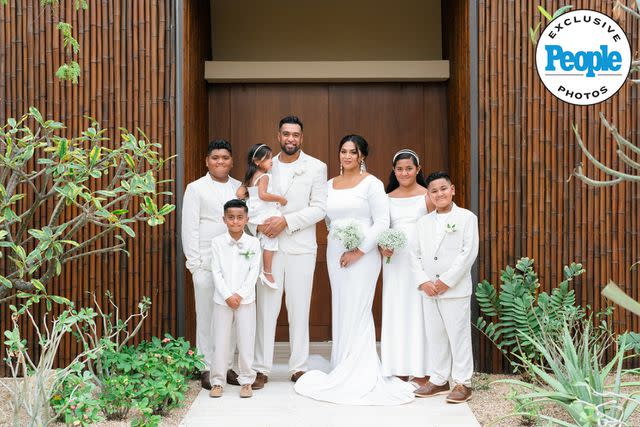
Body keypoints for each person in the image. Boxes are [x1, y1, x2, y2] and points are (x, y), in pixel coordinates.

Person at [294, 135, 414, 405]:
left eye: (353, 152)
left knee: (358, 307)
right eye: (343, 151)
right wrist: (340, 239)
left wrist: (359, 250)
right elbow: (326, 216)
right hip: (337, 253)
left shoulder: (372, 184)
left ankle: (359, 368)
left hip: (364, 255)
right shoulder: (329, 185)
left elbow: (382, 220)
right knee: (342, 305)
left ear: (362, 156)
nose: (347, 156)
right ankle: (341, 362)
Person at [252, 116, 327, 388]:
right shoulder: (264, 166)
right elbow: (250, 199)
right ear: (278, 136)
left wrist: (286, 221)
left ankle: (298, 367)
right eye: (286, 134)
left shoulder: (316, 167)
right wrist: (260, 225)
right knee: (266, 310)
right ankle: (261, 368)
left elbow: (319, 207)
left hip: (301, 248)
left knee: (299, 308)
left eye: (295, 135)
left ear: (302, 138)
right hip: (268, 248)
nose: (290, 139)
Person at [413, 171, 479, 404]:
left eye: (443, 189)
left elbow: (468, 253)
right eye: (434, 191)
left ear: (452, 190)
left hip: (454, 289)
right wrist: (423, 281)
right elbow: (415, 254)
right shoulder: (422, 222)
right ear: (428, 195)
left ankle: (463, 382)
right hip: (429, 290)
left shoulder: (467, 218)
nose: (439, 194)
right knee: (436, 336)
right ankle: (439, 378)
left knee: (458, 335)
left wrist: (446, 281)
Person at [181, 139, 241, 390]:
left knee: (233, 316)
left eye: (225, 157)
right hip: (205, 260)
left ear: (231, 161)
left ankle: (226, 366)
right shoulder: (196, 188)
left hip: (234, 263)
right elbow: (190, 226)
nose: (220, 162)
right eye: (215, 157)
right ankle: (205, 366)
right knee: (205, 315)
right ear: (207, 161)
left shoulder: (240, 188)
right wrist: (194, 263)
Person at [380, 149, 433, 387]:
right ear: (394, 171)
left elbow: (437, 226)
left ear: (418, 170)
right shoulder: (386, 197)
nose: (404, 173)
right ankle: (398, 367)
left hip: (420, 261)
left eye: (409, 168)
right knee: (397, 310)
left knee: (420, 312)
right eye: (399, 169)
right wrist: (383, 247)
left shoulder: (427, 196)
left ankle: (423, 369)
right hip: (395, 262)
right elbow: (381, 229)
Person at [209, 199, 261, 399]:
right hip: (223, 300)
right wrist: (228, 295)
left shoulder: (253, 243)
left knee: (246, 340)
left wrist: (239, 295)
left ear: (247, 219)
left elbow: (253, 271)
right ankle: (218, 381)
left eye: (240, 218)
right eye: (231, 218)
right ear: (224, 219)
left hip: (245, 300)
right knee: (221, 341)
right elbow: (216, 271)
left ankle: (247, 380)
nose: (236, 222)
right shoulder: (217, 243)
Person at [238, 144, 287, 289]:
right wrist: (280, 199)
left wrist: (250, 196)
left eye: (271, 158)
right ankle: (267, 271)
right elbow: (263, 195)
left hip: (254, 212)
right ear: (257, 162)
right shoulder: (265, 176)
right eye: (268, 159)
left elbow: (240, 194)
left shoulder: (250, 176)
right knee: (270, 241)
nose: (271, 161)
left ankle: (259, 270)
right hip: (263, 211)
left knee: (262, 240)